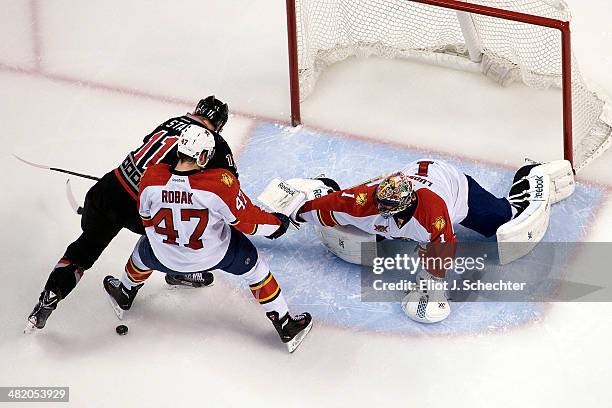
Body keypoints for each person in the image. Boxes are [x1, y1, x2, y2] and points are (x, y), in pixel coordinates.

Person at [26, 96, 237, 332]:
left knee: (84, 249)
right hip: (140, 206)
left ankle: (50, 295)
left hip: (109, 188)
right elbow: (229, 184)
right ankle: (178, 272)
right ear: (219, 124)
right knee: (178, 225)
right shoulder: (214, 142)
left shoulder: (173, 121)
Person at [103, 125, 313, 352]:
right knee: (256, 268)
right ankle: (284, 323)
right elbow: (248, 222)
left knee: (142, 251)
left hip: (163, 257)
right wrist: (276, 225)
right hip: (215, 256)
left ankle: (124, 292)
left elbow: (146, 219)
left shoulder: (151, 176)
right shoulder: (218, 183)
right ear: (203, 156)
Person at [294, 159, 537, 323]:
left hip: (453, 185)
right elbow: (326, 206)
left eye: (393, 209)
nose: (385, 212)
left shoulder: (434, 213)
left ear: (408, 205)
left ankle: (529, 176)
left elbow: (444, 246)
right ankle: (327, 185)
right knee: (354, 217)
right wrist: (293, 213)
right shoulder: (364, 200)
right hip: (411, 176)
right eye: (382, 206)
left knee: (500, 219)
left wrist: (432, 282)